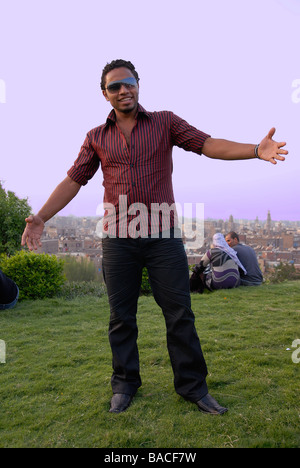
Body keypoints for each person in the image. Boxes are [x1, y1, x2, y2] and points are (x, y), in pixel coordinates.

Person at [21, 59, 287, 415]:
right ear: (105, 95)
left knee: (179, 313)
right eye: (114, 86)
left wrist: (254, 150)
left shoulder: (165, 122)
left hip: (163, 235)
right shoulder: (95, 138)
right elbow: (74, 180)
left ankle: (193, 387)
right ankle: (125, 385)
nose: (123, 90)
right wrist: (40, 217)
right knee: (121, 316)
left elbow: (207, 144)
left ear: (138, 85)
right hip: (118, 237)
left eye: (128, 82)